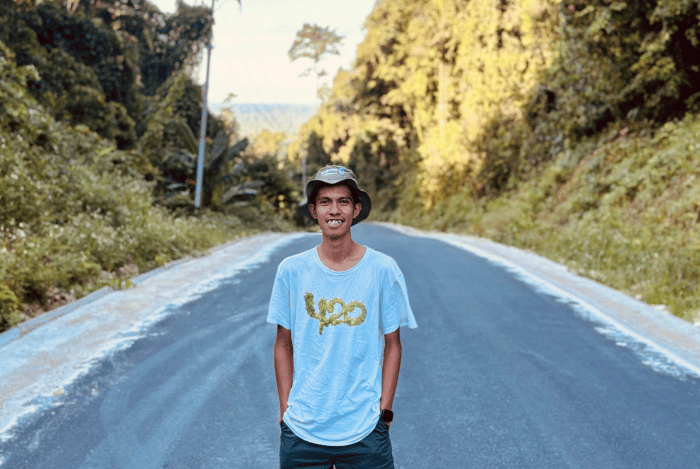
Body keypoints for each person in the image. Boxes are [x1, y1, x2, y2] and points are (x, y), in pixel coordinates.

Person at [267, 165, 417, 469]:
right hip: (302, 432)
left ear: (356, 209)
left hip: (365, 432)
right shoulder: (292, 270)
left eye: (343, 201)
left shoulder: (382, 269)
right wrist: (285, 411)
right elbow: (283, 344)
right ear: (313, 210)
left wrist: (385, 413)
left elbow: (393, 344)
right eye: (325, 202)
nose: (334, 210)